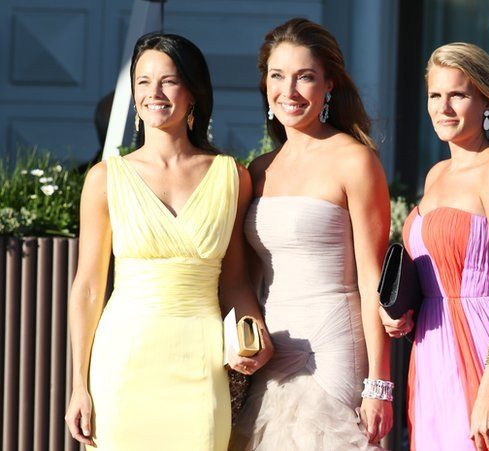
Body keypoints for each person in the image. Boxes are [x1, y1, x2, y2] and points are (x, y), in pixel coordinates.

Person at [64, 32, 272, 450]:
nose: (153, 93)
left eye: (169, 80)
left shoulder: (232, 176)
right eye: (143, 81)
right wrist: (78, 385)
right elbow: (88, 287)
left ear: (193, 91)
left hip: (202, 361)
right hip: (123, 362)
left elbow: (234, 282)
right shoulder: (106, 178)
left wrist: (256, 336)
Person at [230, 18, 393, 450]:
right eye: (278, 76)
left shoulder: (355, 161)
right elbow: (244, 278)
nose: (290, 90)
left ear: (329, 85)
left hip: (333, 347)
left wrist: (379, 384)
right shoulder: (258, 170)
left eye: (305, 77)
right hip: (270, 350)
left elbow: (372, 278)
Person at [380, 42, 489, 450]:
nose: (443, 107)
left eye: (457, 94)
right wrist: (402, 311)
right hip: (431, 351)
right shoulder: (436, 174)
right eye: (435, 95)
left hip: (486, 349)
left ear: (485, 99)